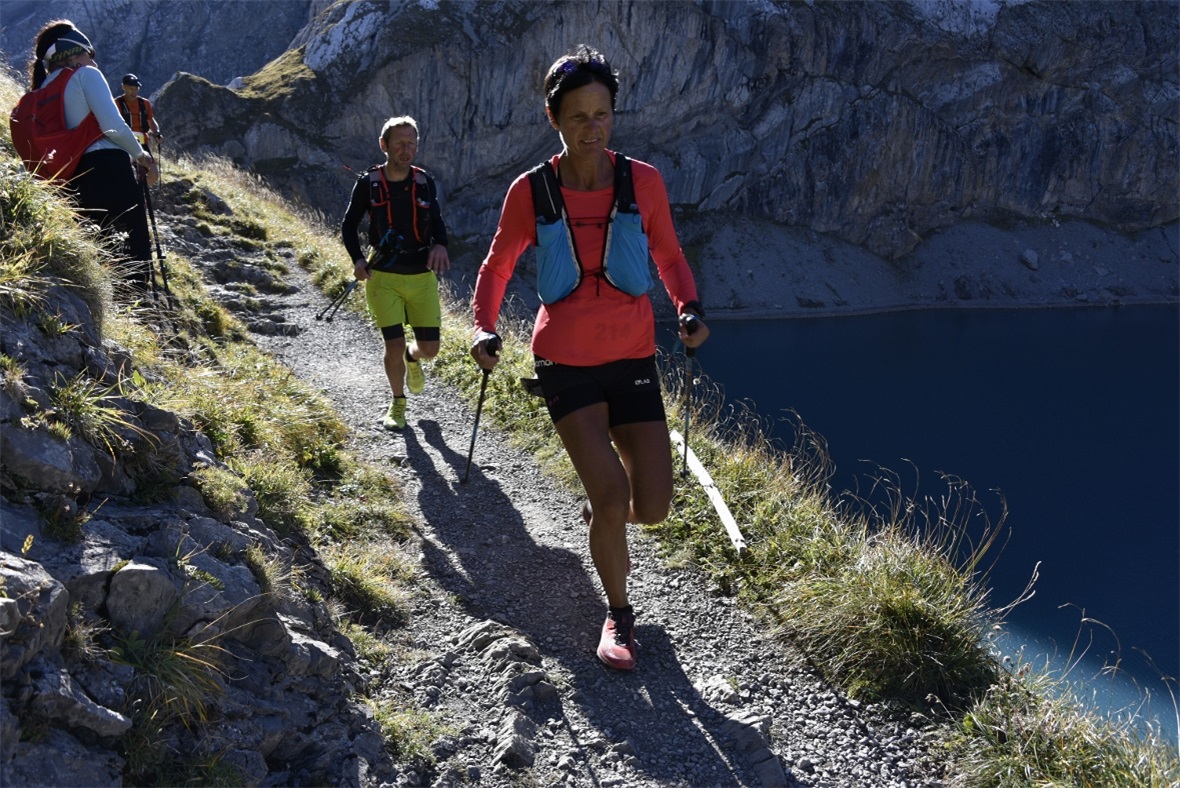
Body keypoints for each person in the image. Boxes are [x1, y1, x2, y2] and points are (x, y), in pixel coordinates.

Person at [469, 44, 709, 671]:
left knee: (652, 505)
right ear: (554, 119)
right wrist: (483, 327)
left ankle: (602, 516)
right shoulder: (532, 191)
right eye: (578, 116)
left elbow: (670, 258)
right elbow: (498, 264)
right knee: (610, 494)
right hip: (565, 363)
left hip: (632, 356)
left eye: (602, 114)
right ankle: (620, 618)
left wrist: (687, 306)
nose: (592, 128)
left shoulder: (643, 182)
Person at [27, 20, 159, 290]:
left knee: (102, 251)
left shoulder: (40, 91)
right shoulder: (85, 75)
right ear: (73, 51)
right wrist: (142, 156)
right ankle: (139, 314)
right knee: (135, 252)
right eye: (90, 54)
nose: (94, 62)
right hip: (109, 168)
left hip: (73, 179)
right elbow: (113, 126)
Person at [341, 116, 450, 431]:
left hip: (421, 275)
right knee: (394, 344)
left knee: (429, 349)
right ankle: (398, 403)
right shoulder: (369, 183)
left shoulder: (424, 181)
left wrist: (440, 245)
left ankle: (414, 360)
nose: (407, 149)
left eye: (412, 143)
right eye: (400, 143)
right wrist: (358, 260)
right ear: (383, 145)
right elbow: (349, 225)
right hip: (383, 278)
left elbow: (437, 220)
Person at [115, 74, 162, 154]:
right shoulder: (116, 103)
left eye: (136, 89)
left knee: (151, 166)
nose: (134, 92)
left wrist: (157, 133)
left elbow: (150, 120)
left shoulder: (145, 103)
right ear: (123, 87)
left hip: (142, 143)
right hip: (124, 144)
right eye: (131, 89)